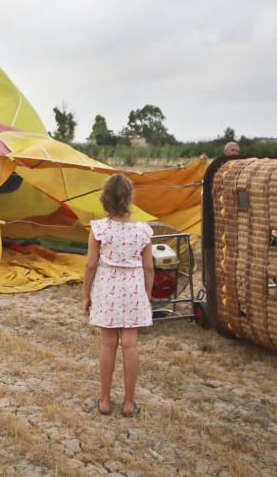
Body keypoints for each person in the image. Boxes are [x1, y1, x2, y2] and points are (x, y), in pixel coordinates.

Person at [83, 174, 154, 417]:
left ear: (105, 200)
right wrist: (147, 294)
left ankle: (104, 400)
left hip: (106, 287)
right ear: (129, 198)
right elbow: (149, 267)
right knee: (130, 344)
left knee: (108, 343)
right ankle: (129, 403)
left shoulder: (99, 229)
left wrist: (86, 295)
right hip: (133, 288)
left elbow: (91, 265)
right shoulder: (143, 231)